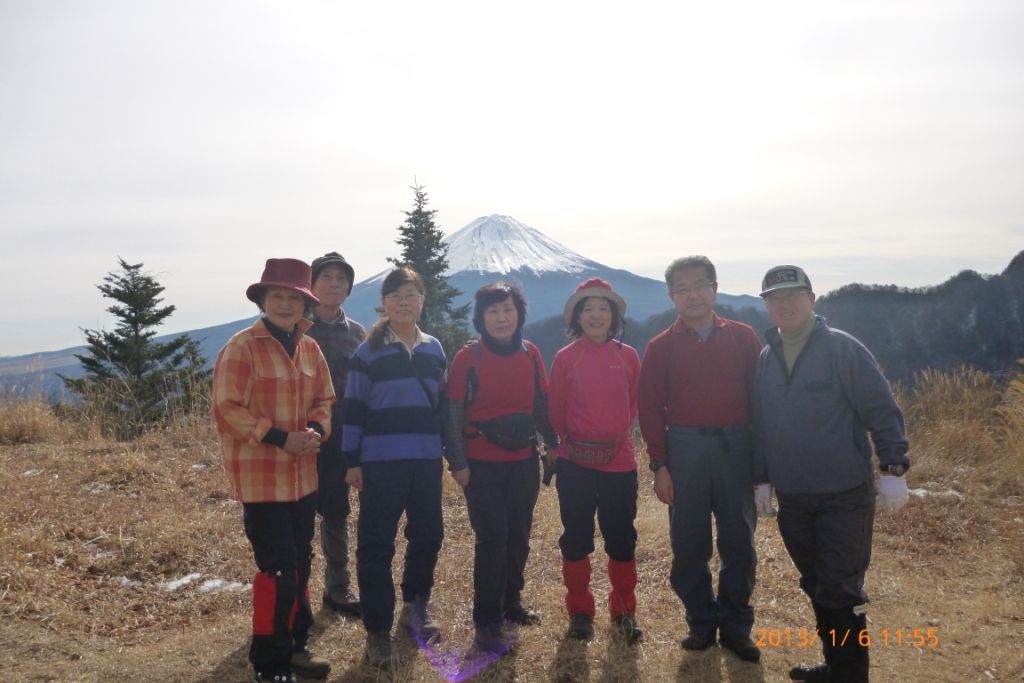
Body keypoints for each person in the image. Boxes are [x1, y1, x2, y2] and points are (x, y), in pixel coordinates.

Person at [751, 265, 910, 683]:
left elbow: (880, 408)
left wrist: (893, 467)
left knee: (841, 588)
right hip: (795, 496)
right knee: (816, 582)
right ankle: (834, 665)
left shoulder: (842, 349)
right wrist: (762, 478)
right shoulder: (767, 357)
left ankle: (851, 674)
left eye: (794, 295)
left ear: (812, 299)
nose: (785, 304)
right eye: (775, 298)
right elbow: (763, 425)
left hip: (844, 493)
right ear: (766, 306)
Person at [212, 258, 335, 683]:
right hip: (262, 480)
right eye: (277, 296)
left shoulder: (310, 348)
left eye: (294, 298)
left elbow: (324, 401)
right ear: (263, 299)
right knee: (278, 569)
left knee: (300, 562)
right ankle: (270, 663)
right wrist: (281, 437)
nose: (285, 304)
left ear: (305, 305)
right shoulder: (242, 347)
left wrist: (318, 428)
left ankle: (297, 645)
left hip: (304, 478)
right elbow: (227, 410)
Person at [637, 255, 763, 663]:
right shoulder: (660, 347)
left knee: (739, 541)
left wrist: (762, 465)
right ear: (672, 295)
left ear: (715, 287)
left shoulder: (743, 337)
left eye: (700, 285)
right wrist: (660, 465)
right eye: (683, 288)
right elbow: (650, 410)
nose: (693, 294)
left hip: (736, 446)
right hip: (685, 448)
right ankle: (700, 623)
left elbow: (762, 403)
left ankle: (737, 626)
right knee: (689, 543)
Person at [341, 266, 449, 670]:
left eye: (411, 295)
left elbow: (442, 406)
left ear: (422, 300)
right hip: (380, 463)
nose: (403, 302)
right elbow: (353, 409)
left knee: (428, 536)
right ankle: (377, 629)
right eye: (395, 296)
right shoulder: (367, 352)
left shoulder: (433, 348)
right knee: (375, 545)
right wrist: (351, 461)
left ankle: (415, 608)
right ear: (384, 303)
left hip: (424, 460)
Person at [442, 281, 556, 653]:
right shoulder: (467, 358)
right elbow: (453, 412)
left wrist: (552, 446)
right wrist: (458, 463)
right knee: (493, 540)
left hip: (523, 462)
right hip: (482, 466)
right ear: (481, 318)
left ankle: (511, 603)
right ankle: (487, 620)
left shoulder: (532, 354)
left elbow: (542, 404)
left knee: (519, 536)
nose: (501, 317)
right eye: (493, 311)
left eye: (508, 309)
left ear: (519, 313)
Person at [548, 278, 644, 644]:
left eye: (604, 308)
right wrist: (576, 439)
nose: (596, 315)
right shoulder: (566, 358)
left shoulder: (629, 356)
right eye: (588, 308)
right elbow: (556, 411)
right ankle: (580, 611)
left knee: (622, 539)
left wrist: (611, 433)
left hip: (619, 463)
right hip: (576, 463)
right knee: (576, 538)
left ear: (614, 314)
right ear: (577, 316)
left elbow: (632, 405)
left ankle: (623, 610)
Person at [307, 252, 365, 618]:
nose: (334, 284)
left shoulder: (358, 333)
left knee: (336, 509)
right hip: (297, 433)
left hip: (342, 432)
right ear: (310, 285)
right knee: (293, 511)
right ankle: (294, 588)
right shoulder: (296, 328)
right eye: (326, 277)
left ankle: (337, 586)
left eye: (341, 279)